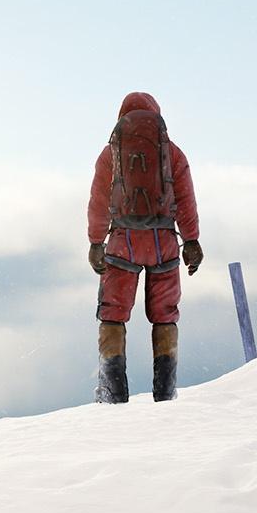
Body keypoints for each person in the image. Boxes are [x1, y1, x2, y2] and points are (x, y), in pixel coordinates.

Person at [86, 91, 203, 403]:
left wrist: (96, 242)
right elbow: (186, 199)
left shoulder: (111, 153)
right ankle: (165, 393)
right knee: (165, 317)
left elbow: (99, 201)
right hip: (163, 242)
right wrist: (191, 240)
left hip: (123, 242)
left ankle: (113, 394)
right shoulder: (172, 153)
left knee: (113, 315)